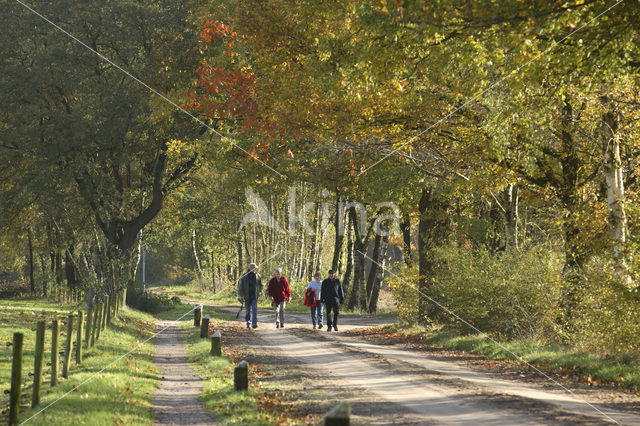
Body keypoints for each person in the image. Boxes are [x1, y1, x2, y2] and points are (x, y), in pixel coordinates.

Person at [237, 263, 263, 329]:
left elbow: (261, 285)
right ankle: (248, 322)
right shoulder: (244, 276)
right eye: (254, 268)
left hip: (254, 295)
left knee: (254, 309)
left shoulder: (258, 275)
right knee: (248, 310)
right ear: (251, 268)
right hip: (247, 296)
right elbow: (240, 286)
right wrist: (241, 295)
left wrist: (259, 292)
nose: (255, 269)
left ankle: (254, 323)